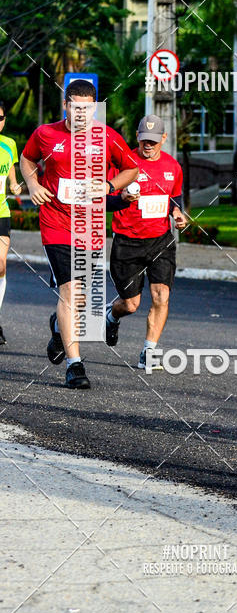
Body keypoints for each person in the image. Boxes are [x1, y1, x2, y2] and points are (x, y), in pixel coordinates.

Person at [20, 79, 139, 389]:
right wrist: (33, 185)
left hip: (89, 226)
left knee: (81, 299)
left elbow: (132, 168)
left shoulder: (107, 137)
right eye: (76, 108)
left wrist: (110, 186)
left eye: (88, 108)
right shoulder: (46, 133)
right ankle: (75, 365)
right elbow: (27, 158)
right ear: (66, 106)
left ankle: (59, 330)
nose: (82, 114)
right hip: (55, 221)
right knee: (70, 292)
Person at [105, 115, 185, 372]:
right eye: (143, 140)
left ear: (163, 138)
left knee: (162, 295)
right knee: (131, 304)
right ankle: (111, 316)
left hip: (160, 241)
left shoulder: (173, 166)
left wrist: (177, 214)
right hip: (127, 242)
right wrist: (123, 196)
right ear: (137, 137)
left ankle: (148, 352)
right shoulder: (122, 163)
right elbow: (103, 200)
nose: (147, 145)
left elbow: (174, 198)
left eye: (153, 141)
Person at [0, 100, 23, 346]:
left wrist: (17, 187)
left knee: (1, 266)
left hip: (1, 212)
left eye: (1, 118)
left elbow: (12, 180)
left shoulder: (9, 144)